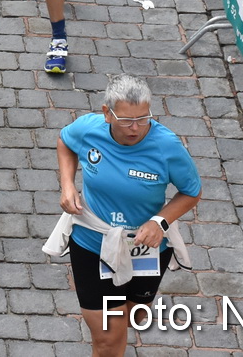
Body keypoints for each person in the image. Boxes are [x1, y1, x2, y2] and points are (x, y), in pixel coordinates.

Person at [48, 75, 202, 357]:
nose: (135, 128)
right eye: (127, 120)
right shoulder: (88, 129)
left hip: (146, 247)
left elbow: (191, 191)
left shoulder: (167, 147)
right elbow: (65, 141)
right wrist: (67, 184)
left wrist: (159, 222)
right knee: (109, 339)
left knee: (134, 317)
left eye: (143, 118)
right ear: (107, 113)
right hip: (93, 243)